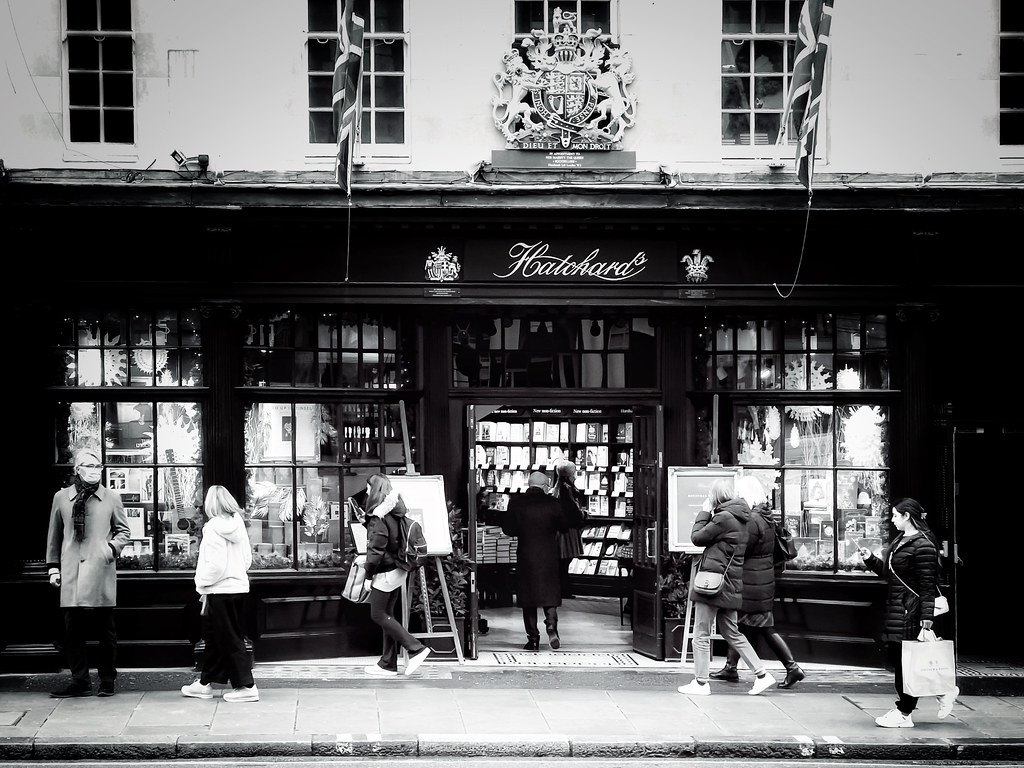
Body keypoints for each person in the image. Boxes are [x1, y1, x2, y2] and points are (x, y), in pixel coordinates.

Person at [859, 497, 959, 727]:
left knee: (906, 663)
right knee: (900, 660)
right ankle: (945, 691)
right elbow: (890, 574)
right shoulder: (900, 540)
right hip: (898, 608)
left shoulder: (923, 544)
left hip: (911, 611)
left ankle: (904, 713)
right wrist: (870, 560)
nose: (892, 519)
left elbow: (927, 585)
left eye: (895, 515)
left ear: (907, 517)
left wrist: (927, 617)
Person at [677, 479, 776, 697]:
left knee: (700, 634)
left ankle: (701, 683)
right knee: (732, 632)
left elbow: (697, 538)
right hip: (730, 584)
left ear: (715, 497)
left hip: (713, 584)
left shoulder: (723, 518)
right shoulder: (742, 518)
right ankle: (762, 674)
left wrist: (704, 512)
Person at [45, 448, 131, 698]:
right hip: (71, 570)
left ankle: (107, 680)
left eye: (98, 466)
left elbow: (123, 531)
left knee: (106, 630)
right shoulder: (61, 497)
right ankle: (79, 681)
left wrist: (109, 548)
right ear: (77, 470)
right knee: (73, 631)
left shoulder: (111, 497)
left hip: (100, 568)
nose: (94, 471)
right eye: (89, 466)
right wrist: (52, 567)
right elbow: (55, 534)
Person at [710, 476, 805, 689]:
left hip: (752, 582)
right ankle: (730, 667)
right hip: (761, 580)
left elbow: (743, 547)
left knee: (763, 627)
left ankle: (792, 667)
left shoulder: (753, 520)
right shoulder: (766, 516)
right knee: (740, 624)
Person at [181, 485, 258, 702]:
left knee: (229, 639)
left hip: (220, 591)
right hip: (238, 589)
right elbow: (246, 561)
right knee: (215, 638)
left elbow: (215, 565)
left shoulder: (213, 527)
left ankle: (247, 686)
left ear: (210, 504)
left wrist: (201, 583)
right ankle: (205, 683)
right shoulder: (238, 526)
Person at [360, 472, 432, 677]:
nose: (366, 492)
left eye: (367, 488)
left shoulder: (378, 517)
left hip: (384, 573)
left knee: (378, 614)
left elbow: (376, 551)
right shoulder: (397, 512)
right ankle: (387, 663)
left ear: (374, 491)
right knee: (388, 616)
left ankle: (416, 648)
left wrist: (367, 576)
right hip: (399, 571)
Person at [502, 471, 568, 650]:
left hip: (526, 554)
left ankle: (533, 639)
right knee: (549, 594)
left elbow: (508, 529)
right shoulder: (553, 503)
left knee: (528, 597)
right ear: (546, 486)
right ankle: (551, 625)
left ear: (528, 485)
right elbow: (564, 526)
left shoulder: (516, 502)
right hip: (548, 555)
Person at [551, 460, 586, 600]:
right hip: (567, 529)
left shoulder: (558, 487)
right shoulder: (566, 488)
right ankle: (562, 589)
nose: (575, 476)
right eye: (574, 472)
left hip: (562, 528)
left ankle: (561, 589)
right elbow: (571, 509)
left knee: (562, 561)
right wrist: (583, 515)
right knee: (564, 561)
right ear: (569, 474)